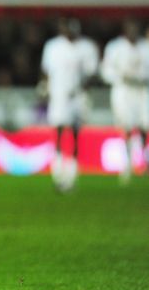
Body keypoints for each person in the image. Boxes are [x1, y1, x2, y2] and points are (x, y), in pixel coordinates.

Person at [40, 17, 99, 192]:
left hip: (77, 96)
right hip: (58, 95)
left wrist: (81, 88)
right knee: (58, 130)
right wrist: (45, 88)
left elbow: (92, 73)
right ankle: (58, 170)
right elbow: (46, 70)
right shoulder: (53, 46)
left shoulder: (86, 47)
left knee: (75, 133)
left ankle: (72, 173)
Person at [101, 19, 149, 182]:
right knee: (126, 126)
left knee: (144, 125)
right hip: (123, 90)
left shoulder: (145, 47)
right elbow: (106, 70)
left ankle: (143, 161)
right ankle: (127, 163)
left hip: (142, 89)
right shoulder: (115, 47)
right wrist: (121, 76)